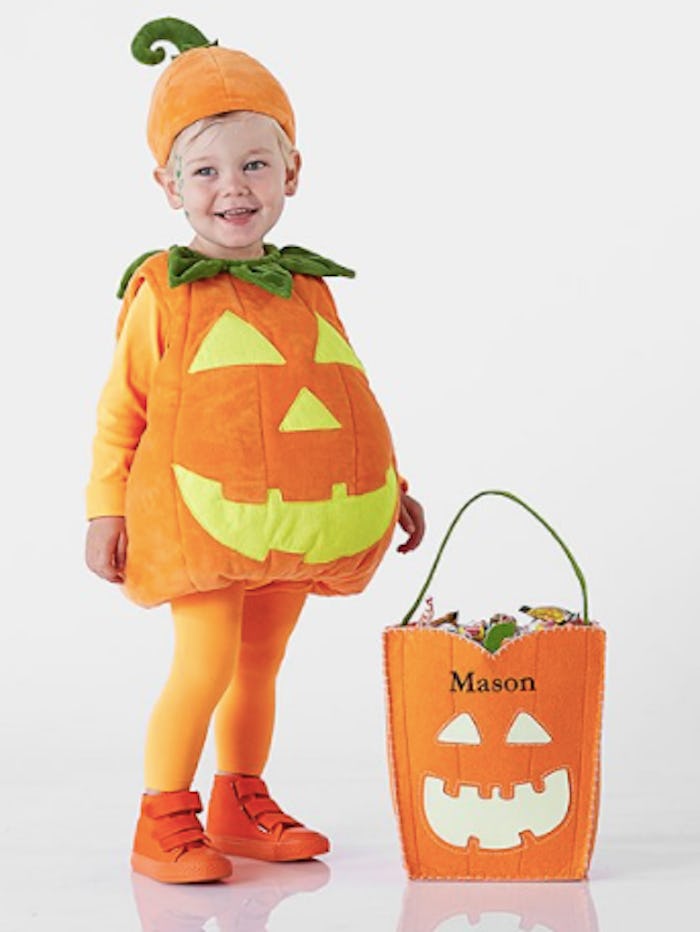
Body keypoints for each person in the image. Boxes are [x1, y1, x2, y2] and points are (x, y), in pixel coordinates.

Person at [85, 16, 425, 885]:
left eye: (254, 165)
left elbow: (341, 393)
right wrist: (105, 509)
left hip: (301, 516)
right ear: (167, 185)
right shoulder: (161, 289)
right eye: (205, 171)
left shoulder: (306, 283)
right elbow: (120, 409)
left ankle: (240, 800)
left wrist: (393, 486)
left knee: (260, 665)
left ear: (292, 174)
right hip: (202, 522)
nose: (231, 188)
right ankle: (162, 817)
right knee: (202, 664)